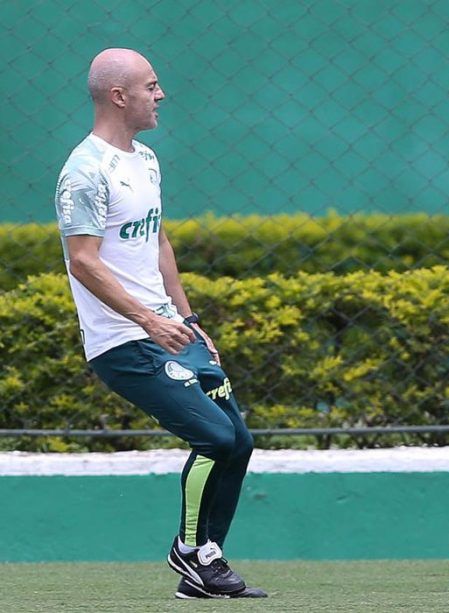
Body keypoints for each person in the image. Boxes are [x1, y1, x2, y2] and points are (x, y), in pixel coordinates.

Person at [54, 48, 266, 600]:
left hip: (170, 329)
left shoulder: (145, 159)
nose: (161, 94)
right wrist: (148, 320)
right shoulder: (85, 170)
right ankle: (189, 550)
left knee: (239, 441)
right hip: (124, 341)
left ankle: (206, 565)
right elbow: (83, 262)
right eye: (151, 86)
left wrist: (187, 318)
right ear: (118, 96)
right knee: (214, 437)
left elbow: (157, 240)